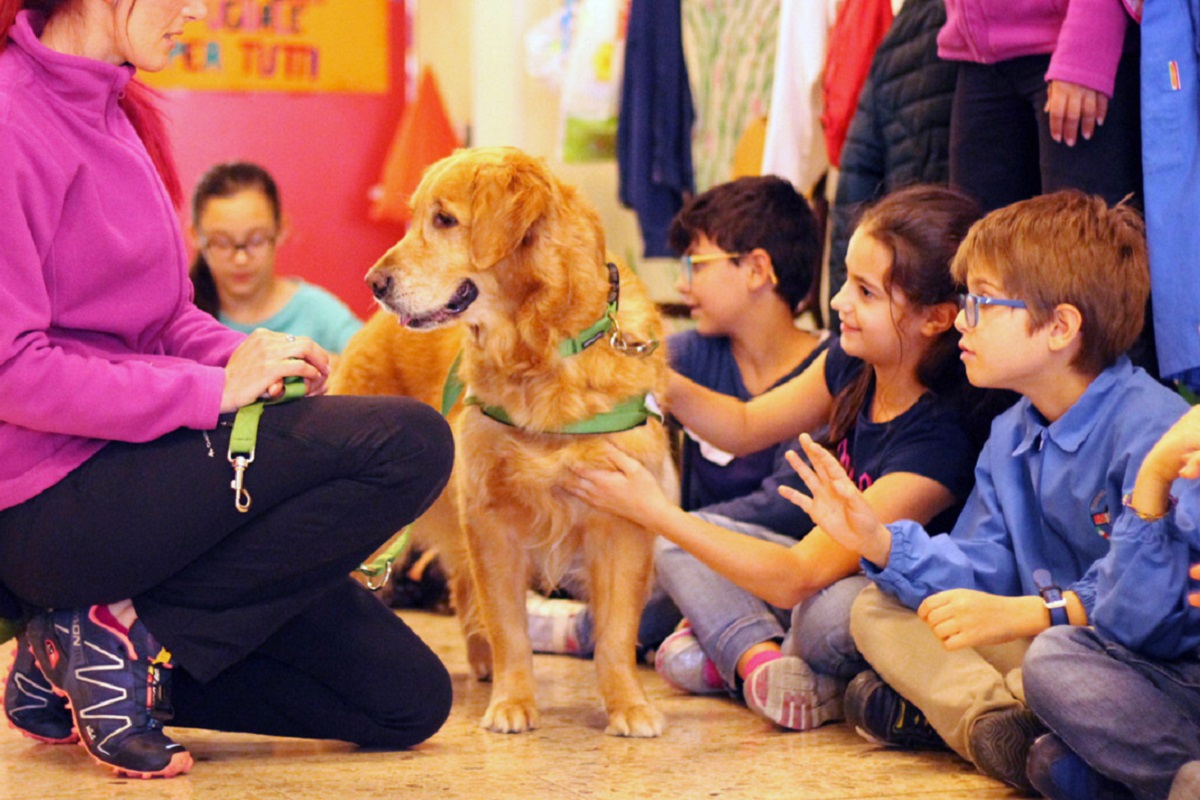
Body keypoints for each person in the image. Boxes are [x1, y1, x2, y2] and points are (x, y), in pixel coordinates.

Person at [0, 0, 454, 780]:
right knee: (410, 442)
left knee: (408, 702)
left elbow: (170, 317)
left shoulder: (119, 111)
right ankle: (121, 633)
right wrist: (208, 391)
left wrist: (258, 356)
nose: (199, 12)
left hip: (151, 476)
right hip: (53, 505)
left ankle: (68, 655)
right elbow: (13, 371)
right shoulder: (11, 121)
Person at [781, 191, 1188, 791]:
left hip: (1141, 667)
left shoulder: (1153, 429)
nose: (962, 320)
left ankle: (1034, 726)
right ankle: (999, 727)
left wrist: (1032, 615)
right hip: (1051, 648)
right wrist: (882, 543)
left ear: (1059, 327)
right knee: (877, 606)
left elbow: (1144, 616)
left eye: (982, 302)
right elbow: (983, 565)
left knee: (1054, 664)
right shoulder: (1010, 432)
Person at [565, 185, 989, 732]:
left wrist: (652, 508)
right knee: (682, 539)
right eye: (844, 283)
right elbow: (744, 426)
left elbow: (799, 576)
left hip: (868, 594)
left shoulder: (940, 439)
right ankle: (760, 665)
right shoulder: (851, 362)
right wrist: (643, 372)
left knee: (829, 612)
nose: (837, 302)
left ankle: (739, 646)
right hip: (811, 572)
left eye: (863, 291)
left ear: (935, 319)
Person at [527, 174, 826, 657]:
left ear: (756, 270)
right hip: (689, 554)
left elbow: (784, 504)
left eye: (695, 264)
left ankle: (580, 631)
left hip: (780, 563)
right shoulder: (688, 354)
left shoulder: (825, 371)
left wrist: (669, 526)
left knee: (660, 565)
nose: (683, 284)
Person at [1021, 405, 1200, 800]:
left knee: (1052, 759)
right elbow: (1132, 628)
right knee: (1053, 654)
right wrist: (1154, 474)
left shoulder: (1142, 408)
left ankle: (1133, 777)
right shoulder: (1189, 438)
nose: (963, 336)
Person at [941, 0, 1143, 214]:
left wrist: (1091, 34)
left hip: (1075, 52)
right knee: (976, 236)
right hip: (975, 53)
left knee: (1081, 236)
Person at [190, 161, 363, 355]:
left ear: (280, 229)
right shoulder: (185, 318)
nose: (240, 259)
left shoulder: (318, 313)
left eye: (255, 240)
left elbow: (375, 365)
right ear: (195, 235)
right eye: (222, 243)